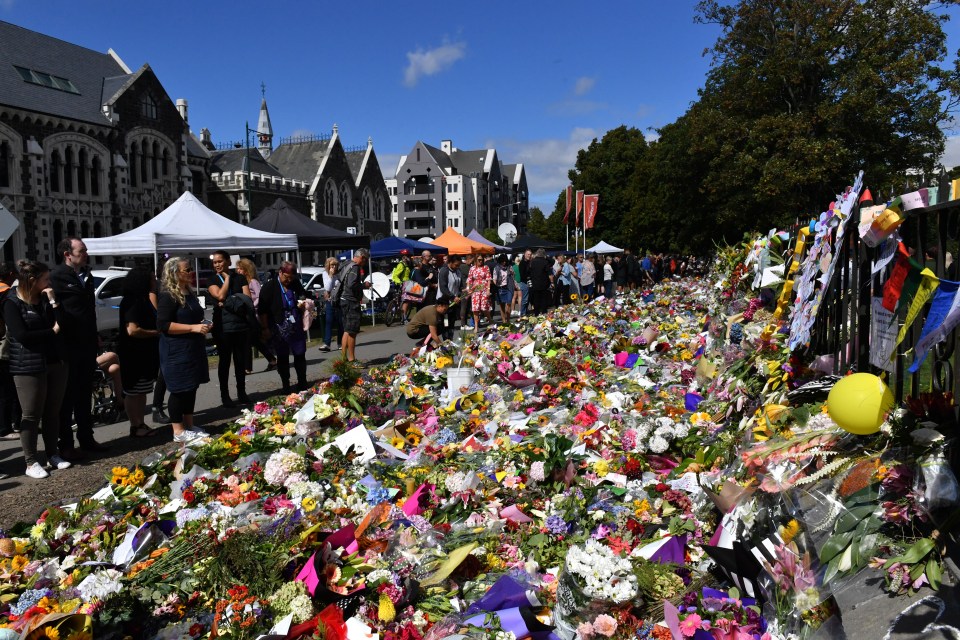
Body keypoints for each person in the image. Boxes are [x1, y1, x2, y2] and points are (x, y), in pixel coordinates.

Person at [3, 260, 70, 478]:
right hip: (27, 365)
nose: (49, 282)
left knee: (53, 411)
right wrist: (51, 332)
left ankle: (53, 453)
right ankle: (31, 461)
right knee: (31, 414)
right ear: (32, 280)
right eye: (45, 279)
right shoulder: (11, 302)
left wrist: (53, 301)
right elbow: (21, 336)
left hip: (54, 361)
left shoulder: (44, 299)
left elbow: (61, 325)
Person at [51, 236, 106, 458]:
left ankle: (87, 437)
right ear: (67, 254)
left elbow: (88, 309)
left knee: (85, 393)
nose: (86, 254)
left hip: (87, 342)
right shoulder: (57, 277)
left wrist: (95, 335)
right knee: (68, 396)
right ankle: (65, 443)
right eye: (81, 250)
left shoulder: (87, 275)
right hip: (69, 344)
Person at [157, 257, 210, 443]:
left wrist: (203, 325)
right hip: (176, 349)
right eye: (186, 270)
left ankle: (189, 424)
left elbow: (194, 316)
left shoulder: (188, 291)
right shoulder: (168, 295)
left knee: (191, 386)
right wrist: (193, 328)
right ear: (175, 274)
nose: (190, 273)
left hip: (192, 347)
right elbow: (163, 324)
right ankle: (178, 430)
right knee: (179, 389)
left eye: (190, 270)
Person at [118, 266, 162, 438]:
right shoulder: (132, 301)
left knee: (142, 389)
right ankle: (135, 425)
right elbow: (132, 330)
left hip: (145, 353)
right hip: (133, 353)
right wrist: (154, 333)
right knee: (133, 390)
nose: (155, 282)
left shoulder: (143, 299)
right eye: (152, 278)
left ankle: (140, 423)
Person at [260, 262, 313, 390]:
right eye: (286, 277)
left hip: (295, 323)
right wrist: (265, 328)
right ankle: (286, 384)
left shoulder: (295, 284)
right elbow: (262, 310)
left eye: (291, 278)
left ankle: (302, 381)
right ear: (280, 273)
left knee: (300, 353)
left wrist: (302, 302)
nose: (289, 280)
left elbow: (302, 295)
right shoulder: (270, 286)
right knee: (282, 356)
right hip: (279, 325)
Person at [207, 250, 251, 407]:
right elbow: (219, 296)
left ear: (228, 261)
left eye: (220, 261)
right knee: (224, 360)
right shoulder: (212, 279)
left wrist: (229, 302)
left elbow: (247, 299)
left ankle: (242, 392)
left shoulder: (240, 278)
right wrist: (226, 280)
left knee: (240, 360)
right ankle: (225, 395)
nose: (217, 264)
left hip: (239, 324)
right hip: (222, 326)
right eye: (215, 262)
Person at [237, 258, 276, 373]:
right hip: (247, 314)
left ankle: (247, 367)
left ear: (246, 270)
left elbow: (260, 296)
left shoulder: (253, 282)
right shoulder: (243, 283)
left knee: (249, 339)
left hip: (255, 313)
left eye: (240, 269)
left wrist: (251, 305)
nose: (238, 271)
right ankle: (271, 359)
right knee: (253, 340)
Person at [337, 249, 370, 364]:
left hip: (343, 300)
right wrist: (363, 285)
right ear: (362, 257)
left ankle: (344, 358)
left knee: (347, 330)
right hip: (351, 301)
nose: (365, 263)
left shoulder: (345, 264)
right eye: (365, 260)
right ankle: (352, 359)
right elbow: (352, 284)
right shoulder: (355, 267)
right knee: (352, 331)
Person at [0, 262, 21, 441]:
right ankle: (6, 426)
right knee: (7, 388)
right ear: (11, 274)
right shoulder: (6, 292)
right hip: (3, 346)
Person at [437, 254, 464, 338]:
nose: (457, 266)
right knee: (445, 324)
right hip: (444, 303)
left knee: (452, 323)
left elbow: (460, 286)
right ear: (450, 262)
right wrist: (452, 297)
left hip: (454, 303)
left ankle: (450, 340)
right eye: (456, 265)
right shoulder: (444, 271)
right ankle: (446, 341)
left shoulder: (458, 271)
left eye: (459, 265)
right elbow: (443, 287)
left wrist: (463, 291)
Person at [319, 257, 342, 352]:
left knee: (340, 322)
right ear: (328, 265)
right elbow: (327, 288)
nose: (334, 267)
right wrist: (331, 276)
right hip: (330, 300)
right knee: (329, 321)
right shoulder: (325, 274)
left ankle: (340, 342)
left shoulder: (340, 274)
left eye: (335, 265)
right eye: (332, 265)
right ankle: (327, 343)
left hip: (339, 299)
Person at [467, 252, 492, 331]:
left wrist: (488, 290)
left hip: (484, 288)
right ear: (475, 260)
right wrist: (468, 288)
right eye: (479, 260)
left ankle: (490, 320)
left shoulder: (486, 267)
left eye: (482, 260)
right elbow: (469, 279)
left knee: (484, 307)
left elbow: (488, 279)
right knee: (475, 309)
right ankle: (476, 326)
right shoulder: (472, 268)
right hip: (475, 290)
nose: (481, 261)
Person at [529, 249, 553, 315]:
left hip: (535, 283)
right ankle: (544, 312)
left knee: (536, 299)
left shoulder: (532, 262)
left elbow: (530, 271)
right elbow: (549, 273)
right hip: (544, 283)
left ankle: (536, 313)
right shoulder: (545, 262)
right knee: (543, 299)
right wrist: (552, 282)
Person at [492, 254, 515, 319]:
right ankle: (504, 321)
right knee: (502, 305)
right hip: (500, 288)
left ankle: (508, 320)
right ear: (500, 261)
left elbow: (513, 276)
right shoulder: (496, 268)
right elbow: (494, 279)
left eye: (505, 261)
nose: (504, 262)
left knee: (508, 303)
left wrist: (512, 273)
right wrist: (496, 284)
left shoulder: (509, 267)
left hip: (509, 287)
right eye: (503, 261)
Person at [518, 249, 533, 316]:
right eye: (528, 254)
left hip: (528, 282)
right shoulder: (522, 263)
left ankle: (525, 312)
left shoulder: (529, 262)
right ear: (524, 254)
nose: (529, 256)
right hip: (524, 282)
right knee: (525, 299)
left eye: (530, 254)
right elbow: (522, 274)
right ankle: (522, 313)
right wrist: (529, 277)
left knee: (528, 298)